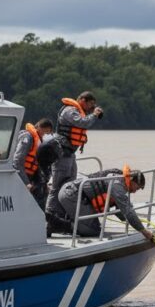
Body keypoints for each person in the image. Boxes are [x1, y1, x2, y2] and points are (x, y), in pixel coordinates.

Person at [44, 91, 104, 229]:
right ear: (82, 100)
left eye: (93, 105)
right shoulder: (70, 110)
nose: (91, 107)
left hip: (70, 154)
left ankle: (62, 218)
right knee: (57, 186)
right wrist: (94, 115)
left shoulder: (79, 110)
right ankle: (49, 220)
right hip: (61, 154)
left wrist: (93, 114)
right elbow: (82, 123)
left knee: (69, 186)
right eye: (90, 104)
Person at [56, 166, 154, 241]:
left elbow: (119, 210)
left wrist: (132, 221)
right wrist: (143, 231)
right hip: (71, 195)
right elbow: (127, 210)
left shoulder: (120, 182)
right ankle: (56, 224)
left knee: (95, 226)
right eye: (136, 188)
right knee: (93, 230)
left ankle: (68, 221)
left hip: (76, 196)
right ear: (132, 180)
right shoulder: (117, 185)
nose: (135, 191)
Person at [12, 117, 54, 206]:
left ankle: (44, 217)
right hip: (21, 176)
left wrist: (43, 182)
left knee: (42, 191)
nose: (45, 135)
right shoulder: (28, 137)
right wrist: (26, 182)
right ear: (39, 127)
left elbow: (37, 163)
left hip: (31, 175)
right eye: (45, 132)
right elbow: (17, 161)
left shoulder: (38, 140)